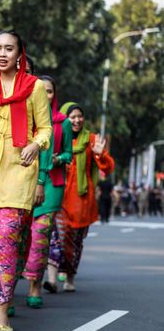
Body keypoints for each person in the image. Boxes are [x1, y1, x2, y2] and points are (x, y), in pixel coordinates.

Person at [0, 30, 51, 331]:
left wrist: (36, 145)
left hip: (19, 168)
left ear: (20, 54)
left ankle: (3, 311)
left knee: (7, 238)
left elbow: (44, 130)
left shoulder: (34, 88)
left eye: (9, 49)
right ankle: (0, 304)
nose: (2, 54)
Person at [48, 102, 114, 292]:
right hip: (57, 196)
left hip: (81, 202)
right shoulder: (57, 136)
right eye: (72, 117)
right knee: (54, 238)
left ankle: (69, 277)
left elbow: (108, 168)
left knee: (74, 242)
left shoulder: (91, 139)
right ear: (64, 118)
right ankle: (51, 280)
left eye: (80, 116)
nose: (77, 120)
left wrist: (100, 155)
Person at [22, 75, 72, 307]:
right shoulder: (23, 116)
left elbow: (69, 154)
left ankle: (35, 286)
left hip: (52, 184)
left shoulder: (64, 123)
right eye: (41, 90)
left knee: (41, 237)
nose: (45, 94)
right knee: (19, 236)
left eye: (49, 91)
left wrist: (58, 158)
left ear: (54, 94)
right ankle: (4, 290)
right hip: (21, 178)